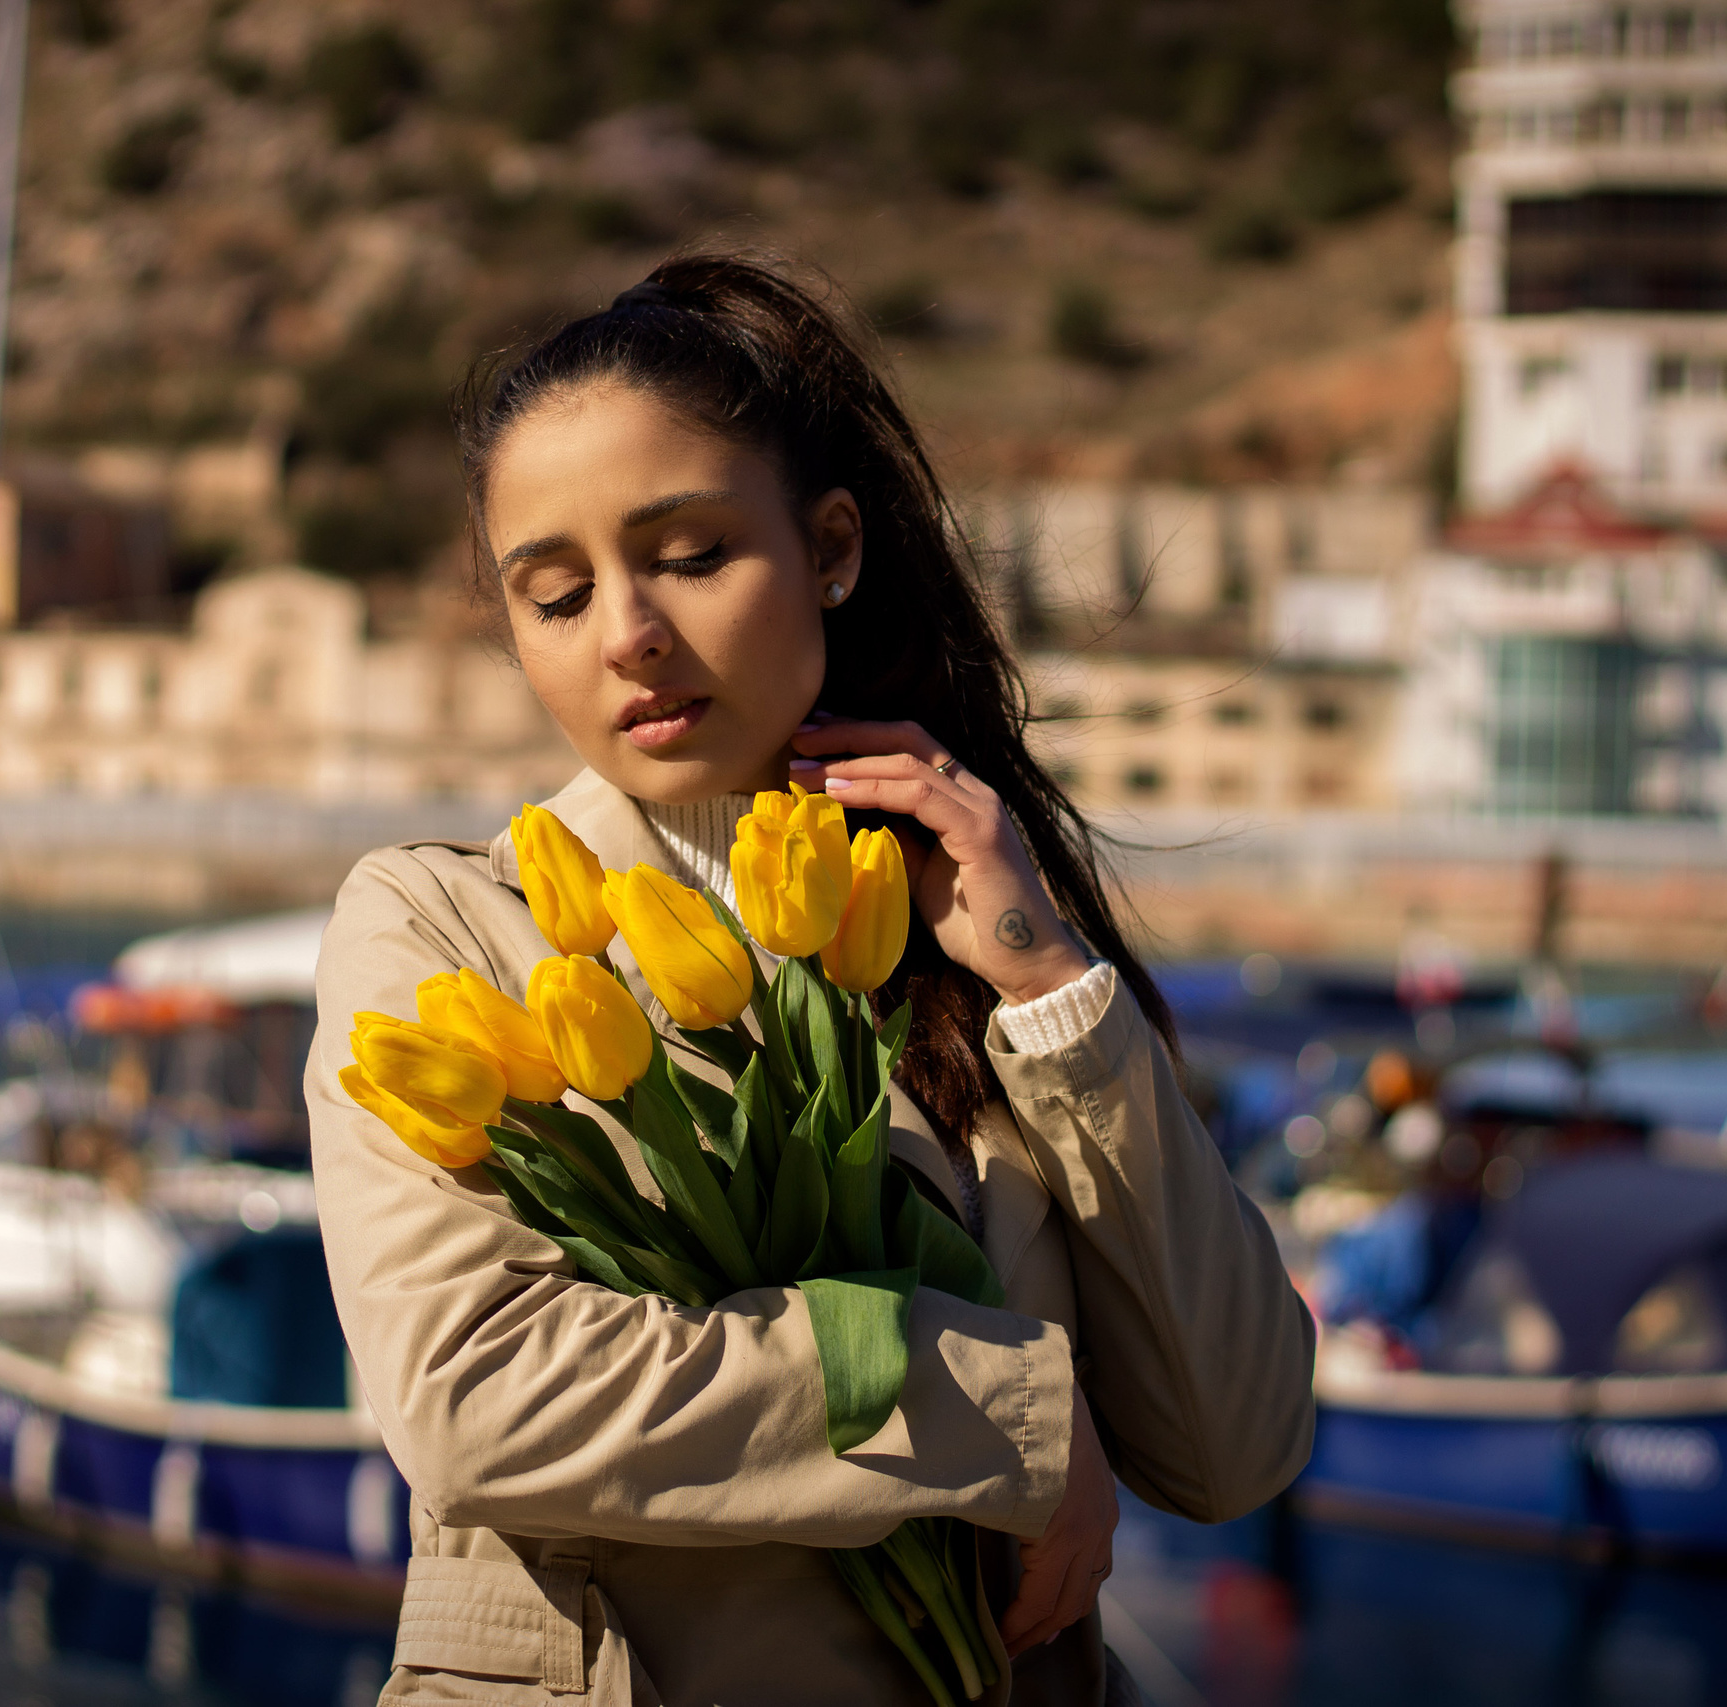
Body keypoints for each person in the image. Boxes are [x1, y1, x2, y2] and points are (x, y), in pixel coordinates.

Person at [307, 253, 1315, 1707]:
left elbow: (1240, 1446)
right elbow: (476, 1399)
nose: (626, 633)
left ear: (830, 548)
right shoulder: (451, 930)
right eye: (556, 592)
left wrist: (1043, 977)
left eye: (692, 554)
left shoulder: (967, 930)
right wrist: (1009, 1412)